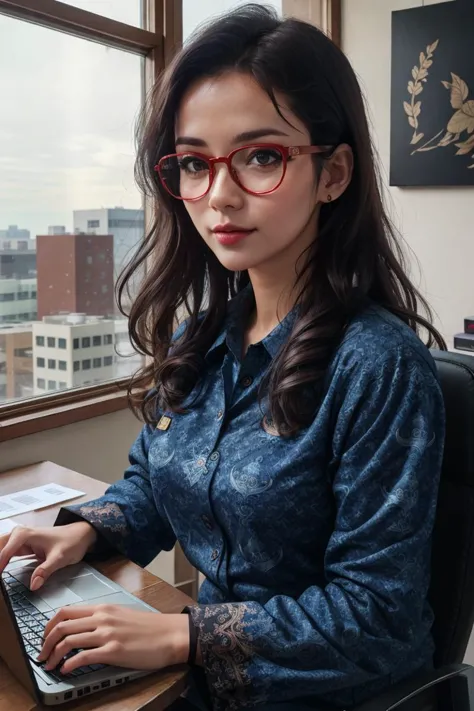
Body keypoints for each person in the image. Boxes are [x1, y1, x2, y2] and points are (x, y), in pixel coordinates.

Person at [0, 5, 447, 710]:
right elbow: (155, 483)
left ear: (333, 173)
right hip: (200, 678)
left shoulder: (378, 366)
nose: (219, 197)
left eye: (261, 156)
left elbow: (378, 616)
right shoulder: (204, 339)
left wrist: (183, 634)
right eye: (194, 163)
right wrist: (85, 530)